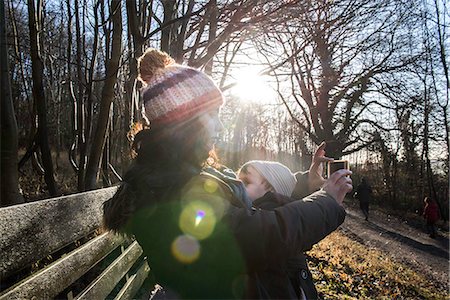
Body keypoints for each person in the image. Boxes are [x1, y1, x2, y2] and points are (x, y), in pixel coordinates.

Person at [102, 48, 352, 299]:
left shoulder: (179, 174)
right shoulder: (169, 189)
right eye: (212, 115)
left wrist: (305, 184)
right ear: (184, 123)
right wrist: (326, 201)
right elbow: (255, 239)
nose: (220, 126)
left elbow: (245, 203)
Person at [237, 159, 327, 299]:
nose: (239, 186)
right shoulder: (283, 226)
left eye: (246, 182)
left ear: (271, 190)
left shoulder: (268, 229)